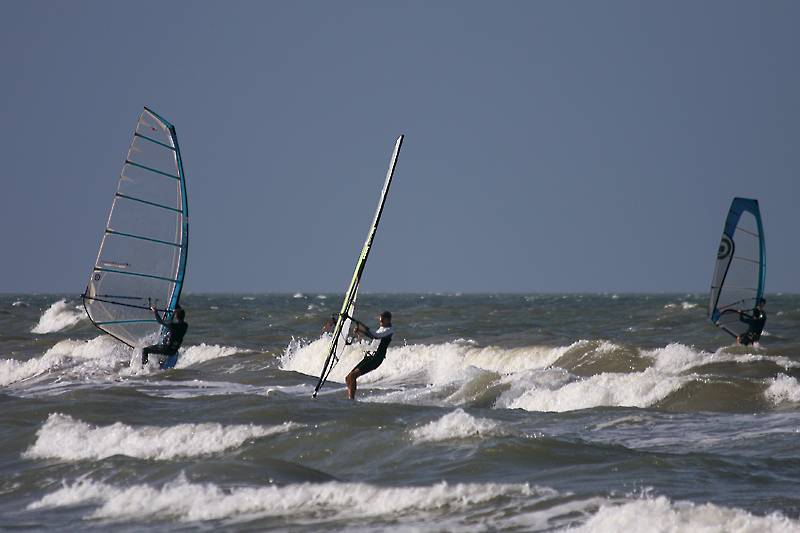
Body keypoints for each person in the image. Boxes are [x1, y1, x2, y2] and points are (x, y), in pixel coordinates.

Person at [344, 310, 394, 400]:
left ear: (388, 320)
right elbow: (374, 337)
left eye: (382, 321)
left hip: (376, 358)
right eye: (380, 321)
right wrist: (361, 331)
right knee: (348, 378)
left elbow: (376, 336)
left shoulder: (389, 330)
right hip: (369, 357)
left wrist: (364, 327)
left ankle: (351, 400)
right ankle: (351, 397)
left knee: (352, 376)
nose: (381, 322)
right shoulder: (382, 328)